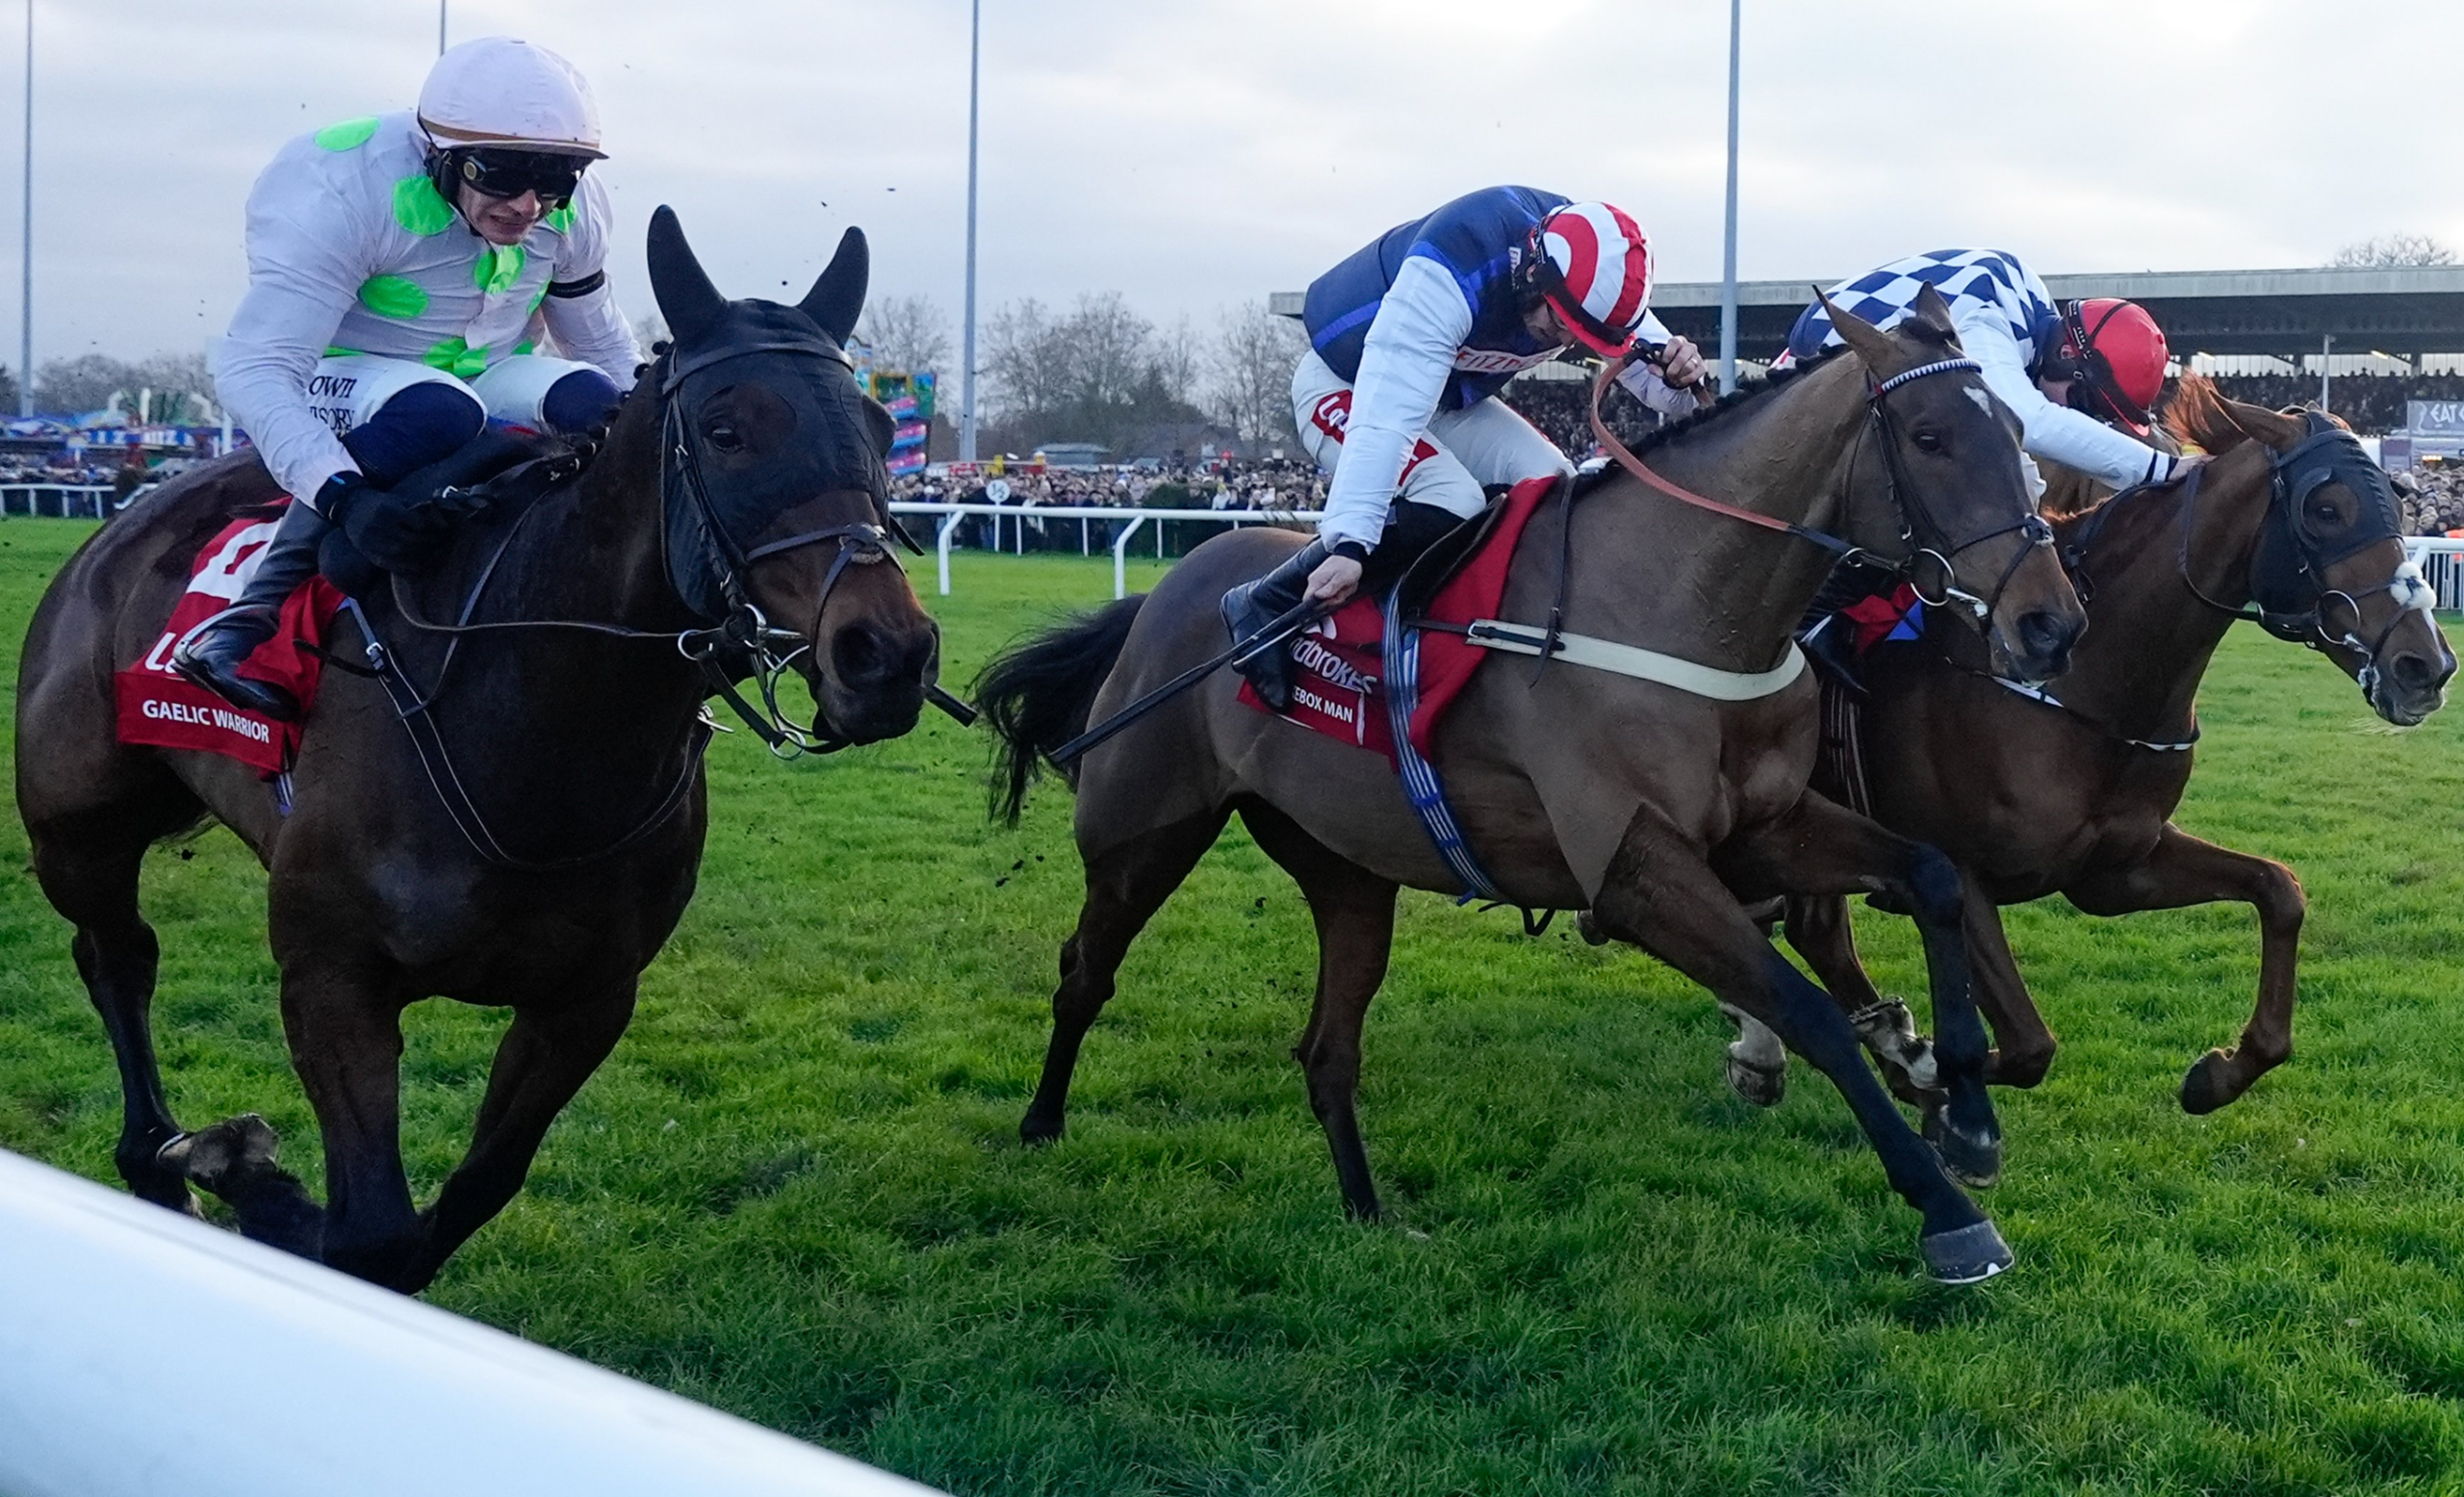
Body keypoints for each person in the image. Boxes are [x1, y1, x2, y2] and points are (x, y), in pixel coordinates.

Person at [172, 36, 640, 720]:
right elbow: (256, 366)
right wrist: (347, 501)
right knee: (439, 411)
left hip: (485, 372)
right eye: (502, 176)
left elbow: (602, 346)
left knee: (600, 405)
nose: (528, 206)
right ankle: (247, 615)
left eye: (553, 182)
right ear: (438, 155)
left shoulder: (576, 208)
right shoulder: (343, 189)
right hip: (348, 375)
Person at [1225, 187, 1706, 710]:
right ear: (1533, 273)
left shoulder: (1592, 269)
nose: (1565, 342)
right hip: (1351, 385)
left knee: (1554, 484)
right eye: (1558, 323)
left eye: (1579, 335)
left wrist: (1680, 376)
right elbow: (1387, 414)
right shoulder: (1455, 262)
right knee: (1452, 497)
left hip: (1445, 399)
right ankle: (1265, 598)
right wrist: (1349, 544)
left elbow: (1658, 381)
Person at [1784, 248, 2180, 497]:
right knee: (2014, 484)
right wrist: (2160, 469)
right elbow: (2029, 420)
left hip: (1862, 371)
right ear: (2066, 355)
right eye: (2083, 402)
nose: (2078, 414)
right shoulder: (1986, 319)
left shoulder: (2024, 301)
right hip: (1814, 371)